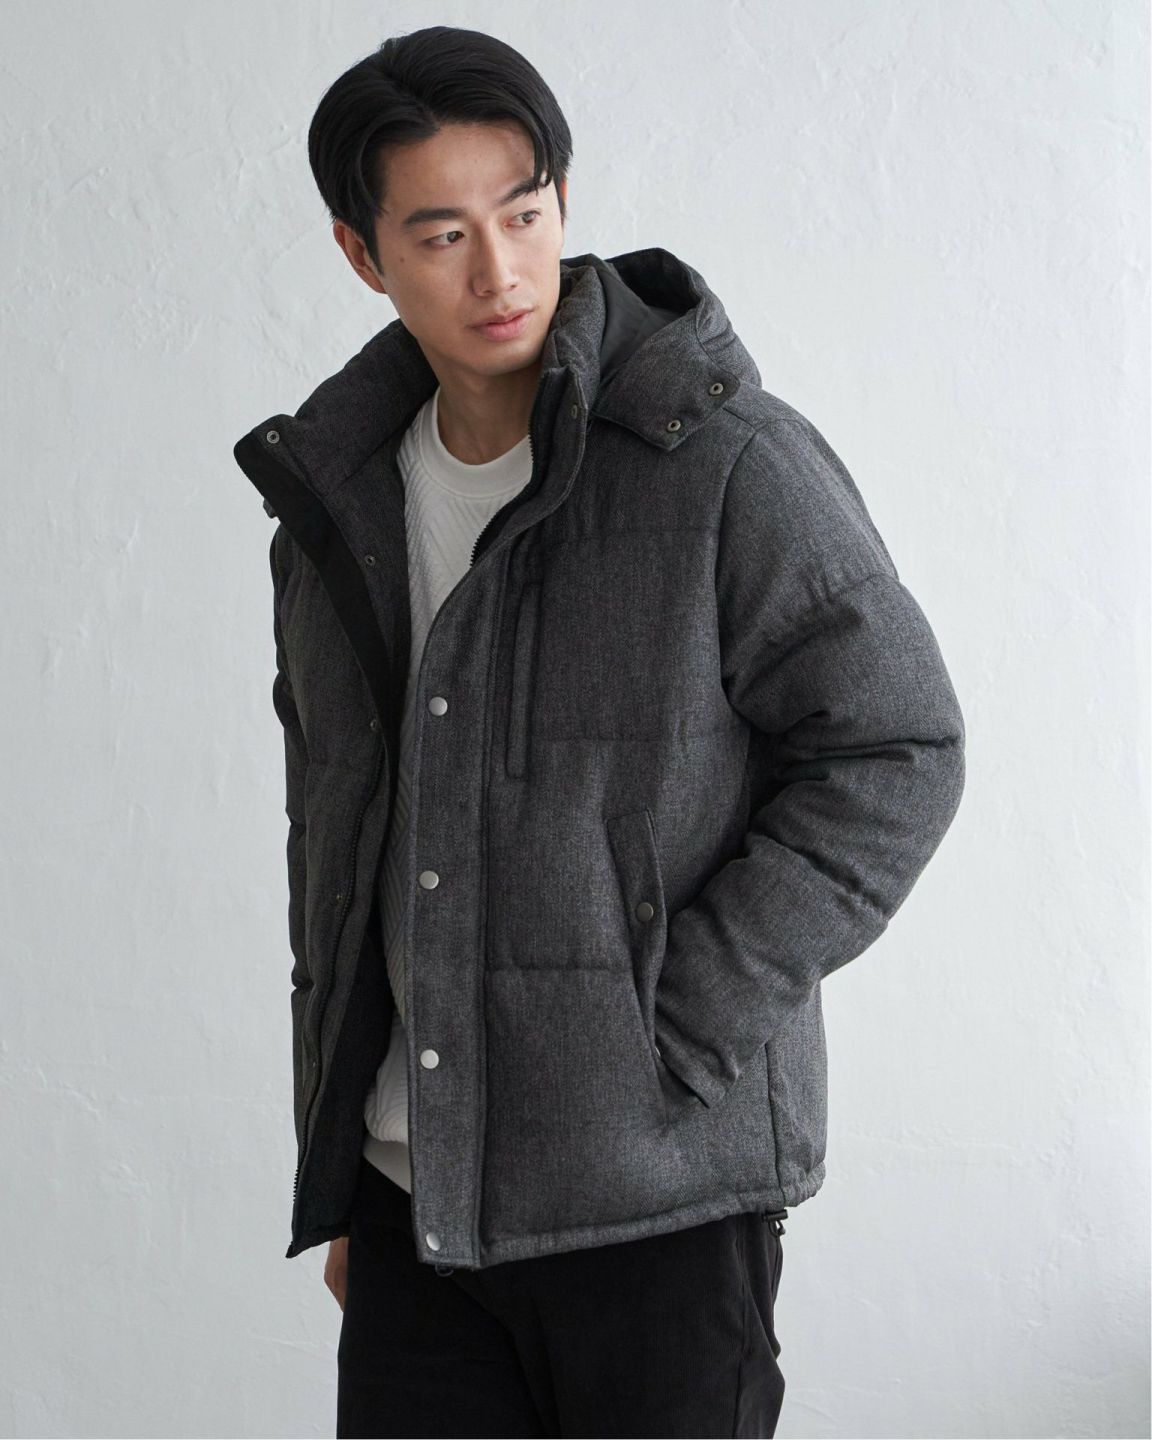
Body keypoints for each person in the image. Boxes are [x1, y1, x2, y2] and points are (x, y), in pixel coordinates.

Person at [233, 24, 967, 1439]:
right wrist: (356, 1163)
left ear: (564, 201)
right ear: (361, 253)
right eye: (441, 234)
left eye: (523, 214)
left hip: (656, 1208)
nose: (497, 271)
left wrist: (679, 1020)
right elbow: (338, 840)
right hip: (411, 1212)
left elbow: (898, 746)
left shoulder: (725, 462)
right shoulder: (339, 506)